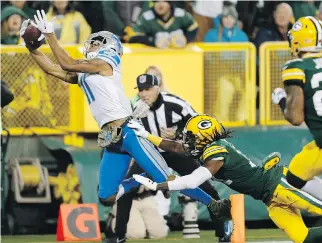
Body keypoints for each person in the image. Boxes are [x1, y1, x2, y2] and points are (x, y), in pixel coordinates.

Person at [19, 10, 230, 236]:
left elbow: (67, 63)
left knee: (167, 180)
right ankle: (138, 180)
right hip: (112, 138)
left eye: (96, 43)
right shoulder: (87, 73)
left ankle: (215, 204)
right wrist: (32, 47)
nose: (91, 46)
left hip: (130, 132)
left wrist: (50, 35)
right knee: (106, 197)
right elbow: (53, 69)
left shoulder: (107, 63)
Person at [128, 115, 322, 243]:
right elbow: (176, 147)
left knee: (318, 208)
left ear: (203, 137)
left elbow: (193, 181)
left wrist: (158, 184)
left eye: (191, 137)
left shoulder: (215, 152)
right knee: (304, 237)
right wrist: (145, 135)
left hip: (278, 185)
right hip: (269, 198)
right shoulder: (207, 147)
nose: (187, 140)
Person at [107, 74, 230, 243]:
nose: (144, 94)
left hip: (175, 151)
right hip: (151, 155)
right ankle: (118, 236)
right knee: (127, 189)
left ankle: (223, 233)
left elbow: (198, 125)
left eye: (148, 89)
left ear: (158, 88)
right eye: (141, 90)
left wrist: (178, 133)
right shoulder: (136, 109)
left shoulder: (175, 104)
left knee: (207, 189)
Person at [272, 16, 322, 201]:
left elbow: (295, 118)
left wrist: (281, 100)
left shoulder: (297, 67)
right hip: (319, 146)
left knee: (292, 180)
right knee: (295, 174)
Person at [129, 0, 198, 49]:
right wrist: (153, 41)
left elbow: (194, 28)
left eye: (164, 1)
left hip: (178, 56)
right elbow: (133, 38)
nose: (160, 5)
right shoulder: (146, 17)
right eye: (157, 1)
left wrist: (186, 38)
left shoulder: (181, 14)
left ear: (170, 3)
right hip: (154, 57)